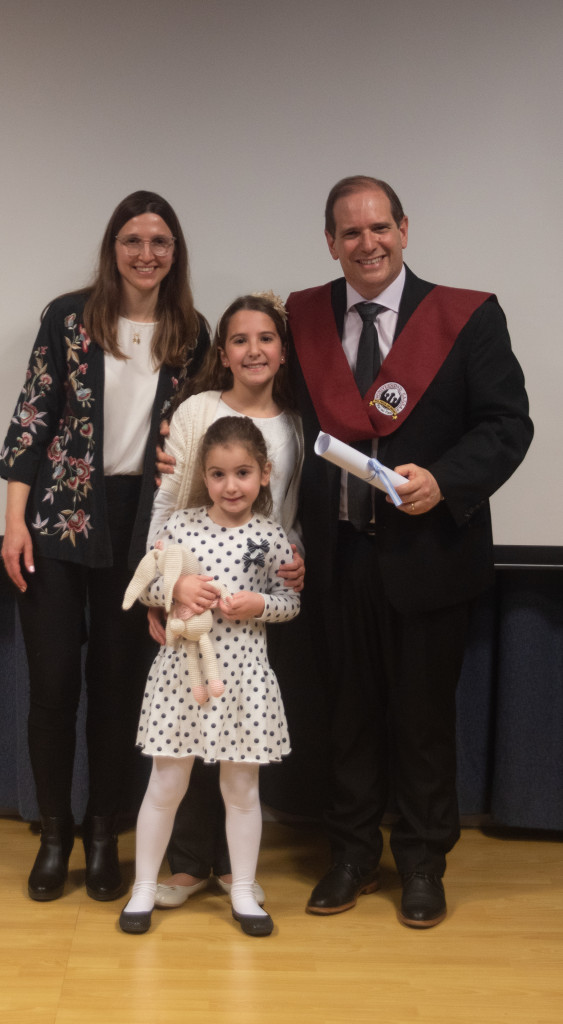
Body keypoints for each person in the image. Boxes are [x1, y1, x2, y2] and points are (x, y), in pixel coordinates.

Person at [286, 175, 533, 927]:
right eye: (350, 233)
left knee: (423, 720)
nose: (367, 244)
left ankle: (423, 862)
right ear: (330, 243)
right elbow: (263, 409)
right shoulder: (302, 318)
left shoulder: (466, 317)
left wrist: (445, 479)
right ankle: (352, 855)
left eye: (379, 228)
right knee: (346, 715)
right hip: (336, 556)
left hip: (429, 553)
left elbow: (507, 424)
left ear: (403, 228)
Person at [0, 191, 210, 902]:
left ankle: (100, 835)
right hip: (58, 520)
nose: (146, 254)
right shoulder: (68, 318)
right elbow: (32, 420)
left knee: (118, 691)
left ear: (175, 253)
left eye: (160, 241)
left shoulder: (192, 333)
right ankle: (54, 835)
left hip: (140, 527)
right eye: (132, 240)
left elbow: (200, 434)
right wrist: (14, 522)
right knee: (54, 685)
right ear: (112, 248)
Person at [147, 293, 305, 910]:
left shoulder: (297, 423)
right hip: (194, 599)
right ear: (223, 353)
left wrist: (295, 562)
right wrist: (162, 593)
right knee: (185, 738)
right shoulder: (197, 410)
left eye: (266, 338)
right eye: (240, 339)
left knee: (239, 745)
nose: (253, 350)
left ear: (283, 351)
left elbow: (294, 507)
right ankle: (189, 866)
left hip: (256, 596)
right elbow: (170, 501)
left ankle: (239, 875)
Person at [118, 416, 301, 936]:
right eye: (218, 474)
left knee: (242, 789)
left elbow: (290, 602)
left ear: (264, 474)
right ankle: (144, 887)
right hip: (182, 677)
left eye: (242, 473)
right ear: (204, 475)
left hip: (243, 679)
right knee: (166, 784)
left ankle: (242, 888)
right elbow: (146, 585)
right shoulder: (180, 526)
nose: (231, 486)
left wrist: (260, 604)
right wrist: (175, 591)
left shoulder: (271, 535)